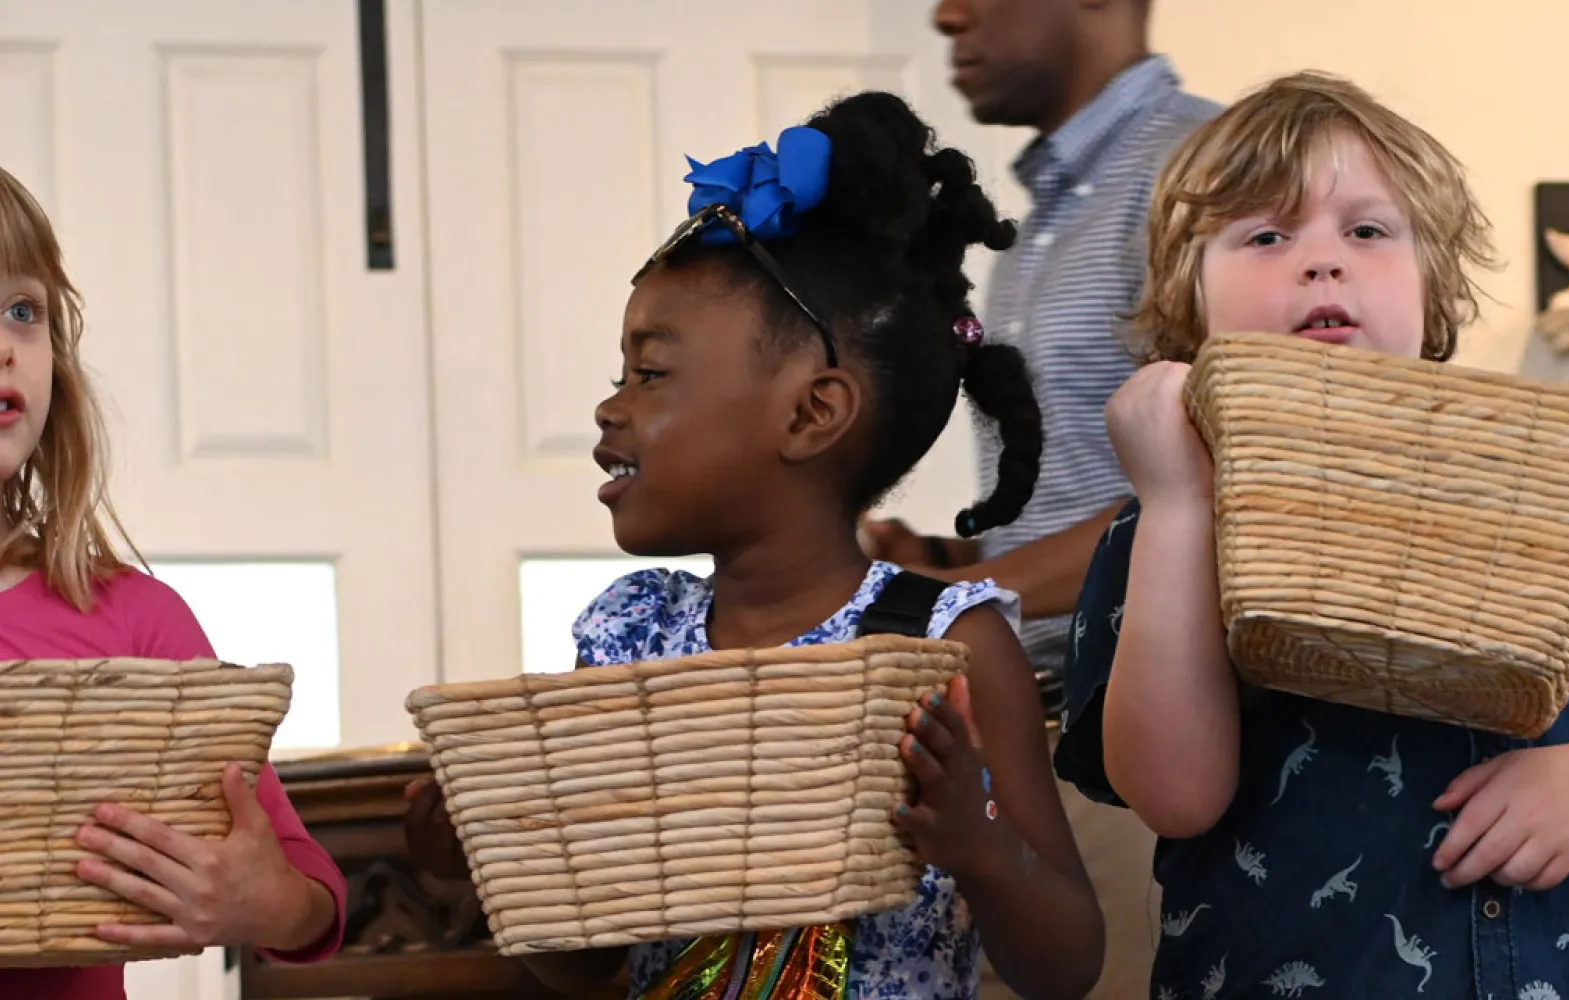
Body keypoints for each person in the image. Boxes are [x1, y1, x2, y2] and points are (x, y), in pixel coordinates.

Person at [1053, 71, 1569, 999]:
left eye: (1367, 230)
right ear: (1189, 308)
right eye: (1266, 236)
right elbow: (1176, 794)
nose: (1322, 261)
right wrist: (1181, 505)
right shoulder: (1165, 518)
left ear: (1434, 290)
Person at [409, 92, 1105, 1000]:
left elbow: (1068, 966)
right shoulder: (628, 643)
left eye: (651, 373)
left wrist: (983, 847)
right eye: (620, 374)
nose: (610, 406)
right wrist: (494, 859)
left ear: (812, 412)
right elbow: (590, 963)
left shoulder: (946, 649)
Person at [0, 167, 347, 999]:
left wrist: (262, 902)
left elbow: (309, 892)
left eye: (23, 310)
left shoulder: (132, 618)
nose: (7, 344)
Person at [868, 0, 1220, 698]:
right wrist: (944, 562)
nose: (945, 16)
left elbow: (1236, 492)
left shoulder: (1205, 173)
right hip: (1055, 713)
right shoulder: (1048, 220)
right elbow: (1117, 492)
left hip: (1163, 727)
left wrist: (953, 595)